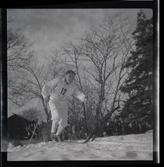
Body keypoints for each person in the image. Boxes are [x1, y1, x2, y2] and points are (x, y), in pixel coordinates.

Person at [41, 70, 87, 142]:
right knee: (56, 116)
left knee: (64, 122)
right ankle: (52, 133)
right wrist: (45, 96)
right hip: (54, 100)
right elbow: (47, 86)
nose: (71, 79)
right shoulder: (58, 81)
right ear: (65, 76)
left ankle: (57, 135)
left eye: (73, 77)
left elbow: (77, 93)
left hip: (63, 102)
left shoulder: (73, 86)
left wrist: (83, 97)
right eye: (70, 76)